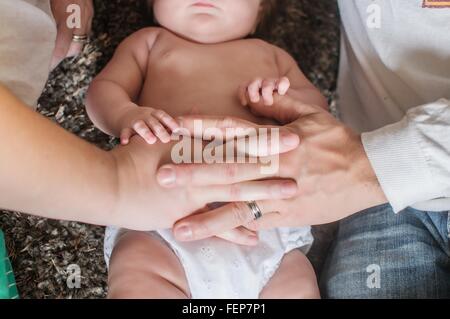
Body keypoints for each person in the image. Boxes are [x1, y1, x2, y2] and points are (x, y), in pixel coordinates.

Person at [166, 0, 450, 298]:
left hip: (361, 179)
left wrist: (365, 164)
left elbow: (313, 101)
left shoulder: (269, 54)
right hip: (375, 198)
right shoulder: (150, 44)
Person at [86, 0, 327, 299]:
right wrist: (125, 114)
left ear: (260, 12)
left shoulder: (272, 56)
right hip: (161, 222)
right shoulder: (150, 43)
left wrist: (280, 98)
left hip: (263, 224)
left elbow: (317, 115)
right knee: (138, 271)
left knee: (296, 283)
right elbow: (103, 89)